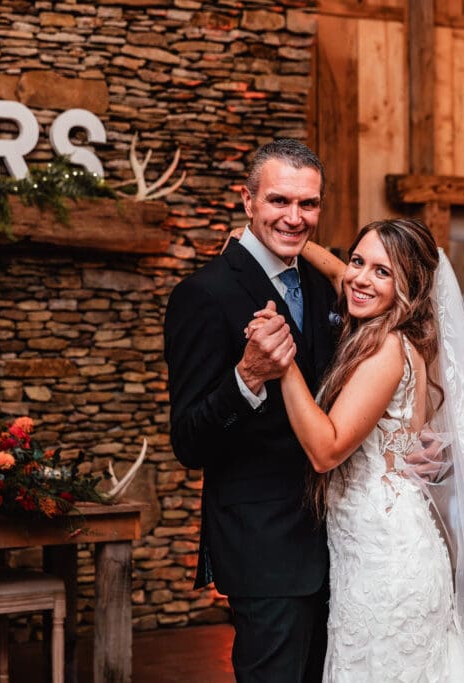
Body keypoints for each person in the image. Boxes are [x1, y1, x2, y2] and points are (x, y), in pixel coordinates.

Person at [249, 218, 464, 680]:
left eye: (383, 272)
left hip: (387, 566)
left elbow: (327, 449)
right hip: (374, 550)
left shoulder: (385, 349)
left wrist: (284, 364)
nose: (359, 278)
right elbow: (350, 278)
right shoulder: (393, 327)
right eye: (358, 261)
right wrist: (284, 240)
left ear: (409, 288)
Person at [163, 139, 339, 681]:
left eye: (307, 204)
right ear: (247, 200)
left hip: (340, 542)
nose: (294, 217)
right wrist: (248, 377)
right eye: (279, 201)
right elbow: (188, 441)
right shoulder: (203, 294)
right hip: (262, 545)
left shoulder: (325, 287)